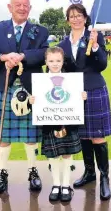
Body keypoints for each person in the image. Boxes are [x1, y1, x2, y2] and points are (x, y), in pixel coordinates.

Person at [0, 0, 49, 194]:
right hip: (4, 86)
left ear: (30, 8)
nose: (22, 8)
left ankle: (33, 171)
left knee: (31, 135)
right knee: (3, 135)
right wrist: (3, 57)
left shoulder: (40, 30)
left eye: (25, 5)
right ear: (9, 7)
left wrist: (22, 56)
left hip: (30, 87)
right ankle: (2, 173)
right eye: (18, 5)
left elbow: (44, 54)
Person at [58, 3, 111, 201]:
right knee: (82, 136)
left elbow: (102, 64)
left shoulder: (94, 37)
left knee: (98, 136)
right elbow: (59, 69)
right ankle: (89, 173)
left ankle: (104, 177)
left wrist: (96, 45)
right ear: (67, 20)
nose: (75, 19)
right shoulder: (63, 44)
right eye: (72, 16)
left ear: (85, 18)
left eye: (79, 15)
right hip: (74, 94)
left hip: (94, 90)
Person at [29, 47, 87, 202]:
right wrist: (32, 101)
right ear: (46, 62)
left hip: (68, 122)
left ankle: (66, 185)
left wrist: (82, 96)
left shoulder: (72, 80)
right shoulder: (39, 81)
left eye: (58, 61)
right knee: (53, 156)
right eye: (51, 61)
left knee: (67, 154)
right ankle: (56, 184)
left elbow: (77, 100)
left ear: (63, 61)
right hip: (49, 123)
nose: (55, 64)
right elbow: (36, 105)